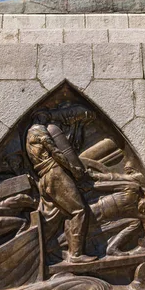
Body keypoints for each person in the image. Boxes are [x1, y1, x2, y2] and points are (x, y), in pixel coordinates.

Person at [26, 107, 97, 264]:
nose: (49, 119)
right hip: (54, 174)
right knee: (79, 210)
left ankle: (66, 250)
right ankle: (76, 254)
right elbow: (55, 152)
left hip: (44, 178)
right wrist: (74, 169)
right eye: (46, 116)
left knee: (67, 212)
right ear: (39, 116)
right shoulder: (39, 129)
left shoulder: (29, 134)